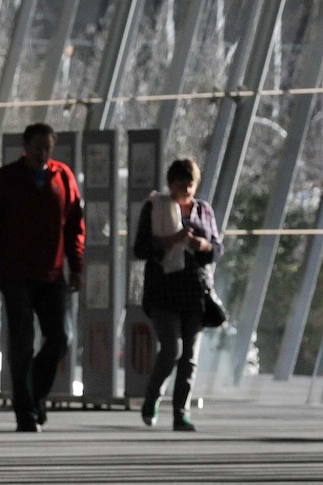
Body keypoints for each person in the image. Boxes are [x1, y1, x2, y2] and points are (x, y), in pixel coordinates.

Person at [0, 122, 85, 432]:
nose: (43, 153)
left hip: (53, 275)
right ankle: (24, 411)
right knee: (22, 343)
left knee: (59, 339)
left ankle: (35, 396)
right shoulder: (6, 179)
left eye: (48, 148)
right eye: (38, 147)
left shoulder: (63, 177)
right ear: (26, 146)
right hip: (16, 274)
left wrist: (76, 267)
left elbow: (75, 227)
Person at [133, 157, 224, 432]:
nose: (186, 191)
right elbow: (140, 249)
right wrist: (170, 241)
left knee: (190, 357)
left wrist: (203, 245)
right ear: (170, 185)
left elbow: (218, 249)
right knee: (172, 349)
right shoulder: (156, 208)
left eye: (191, 186)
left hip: (195, 290)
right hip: (163, 289)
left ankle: (180, 413)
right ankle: (152, 397)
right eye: (181, 185)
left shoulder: (204, 211)